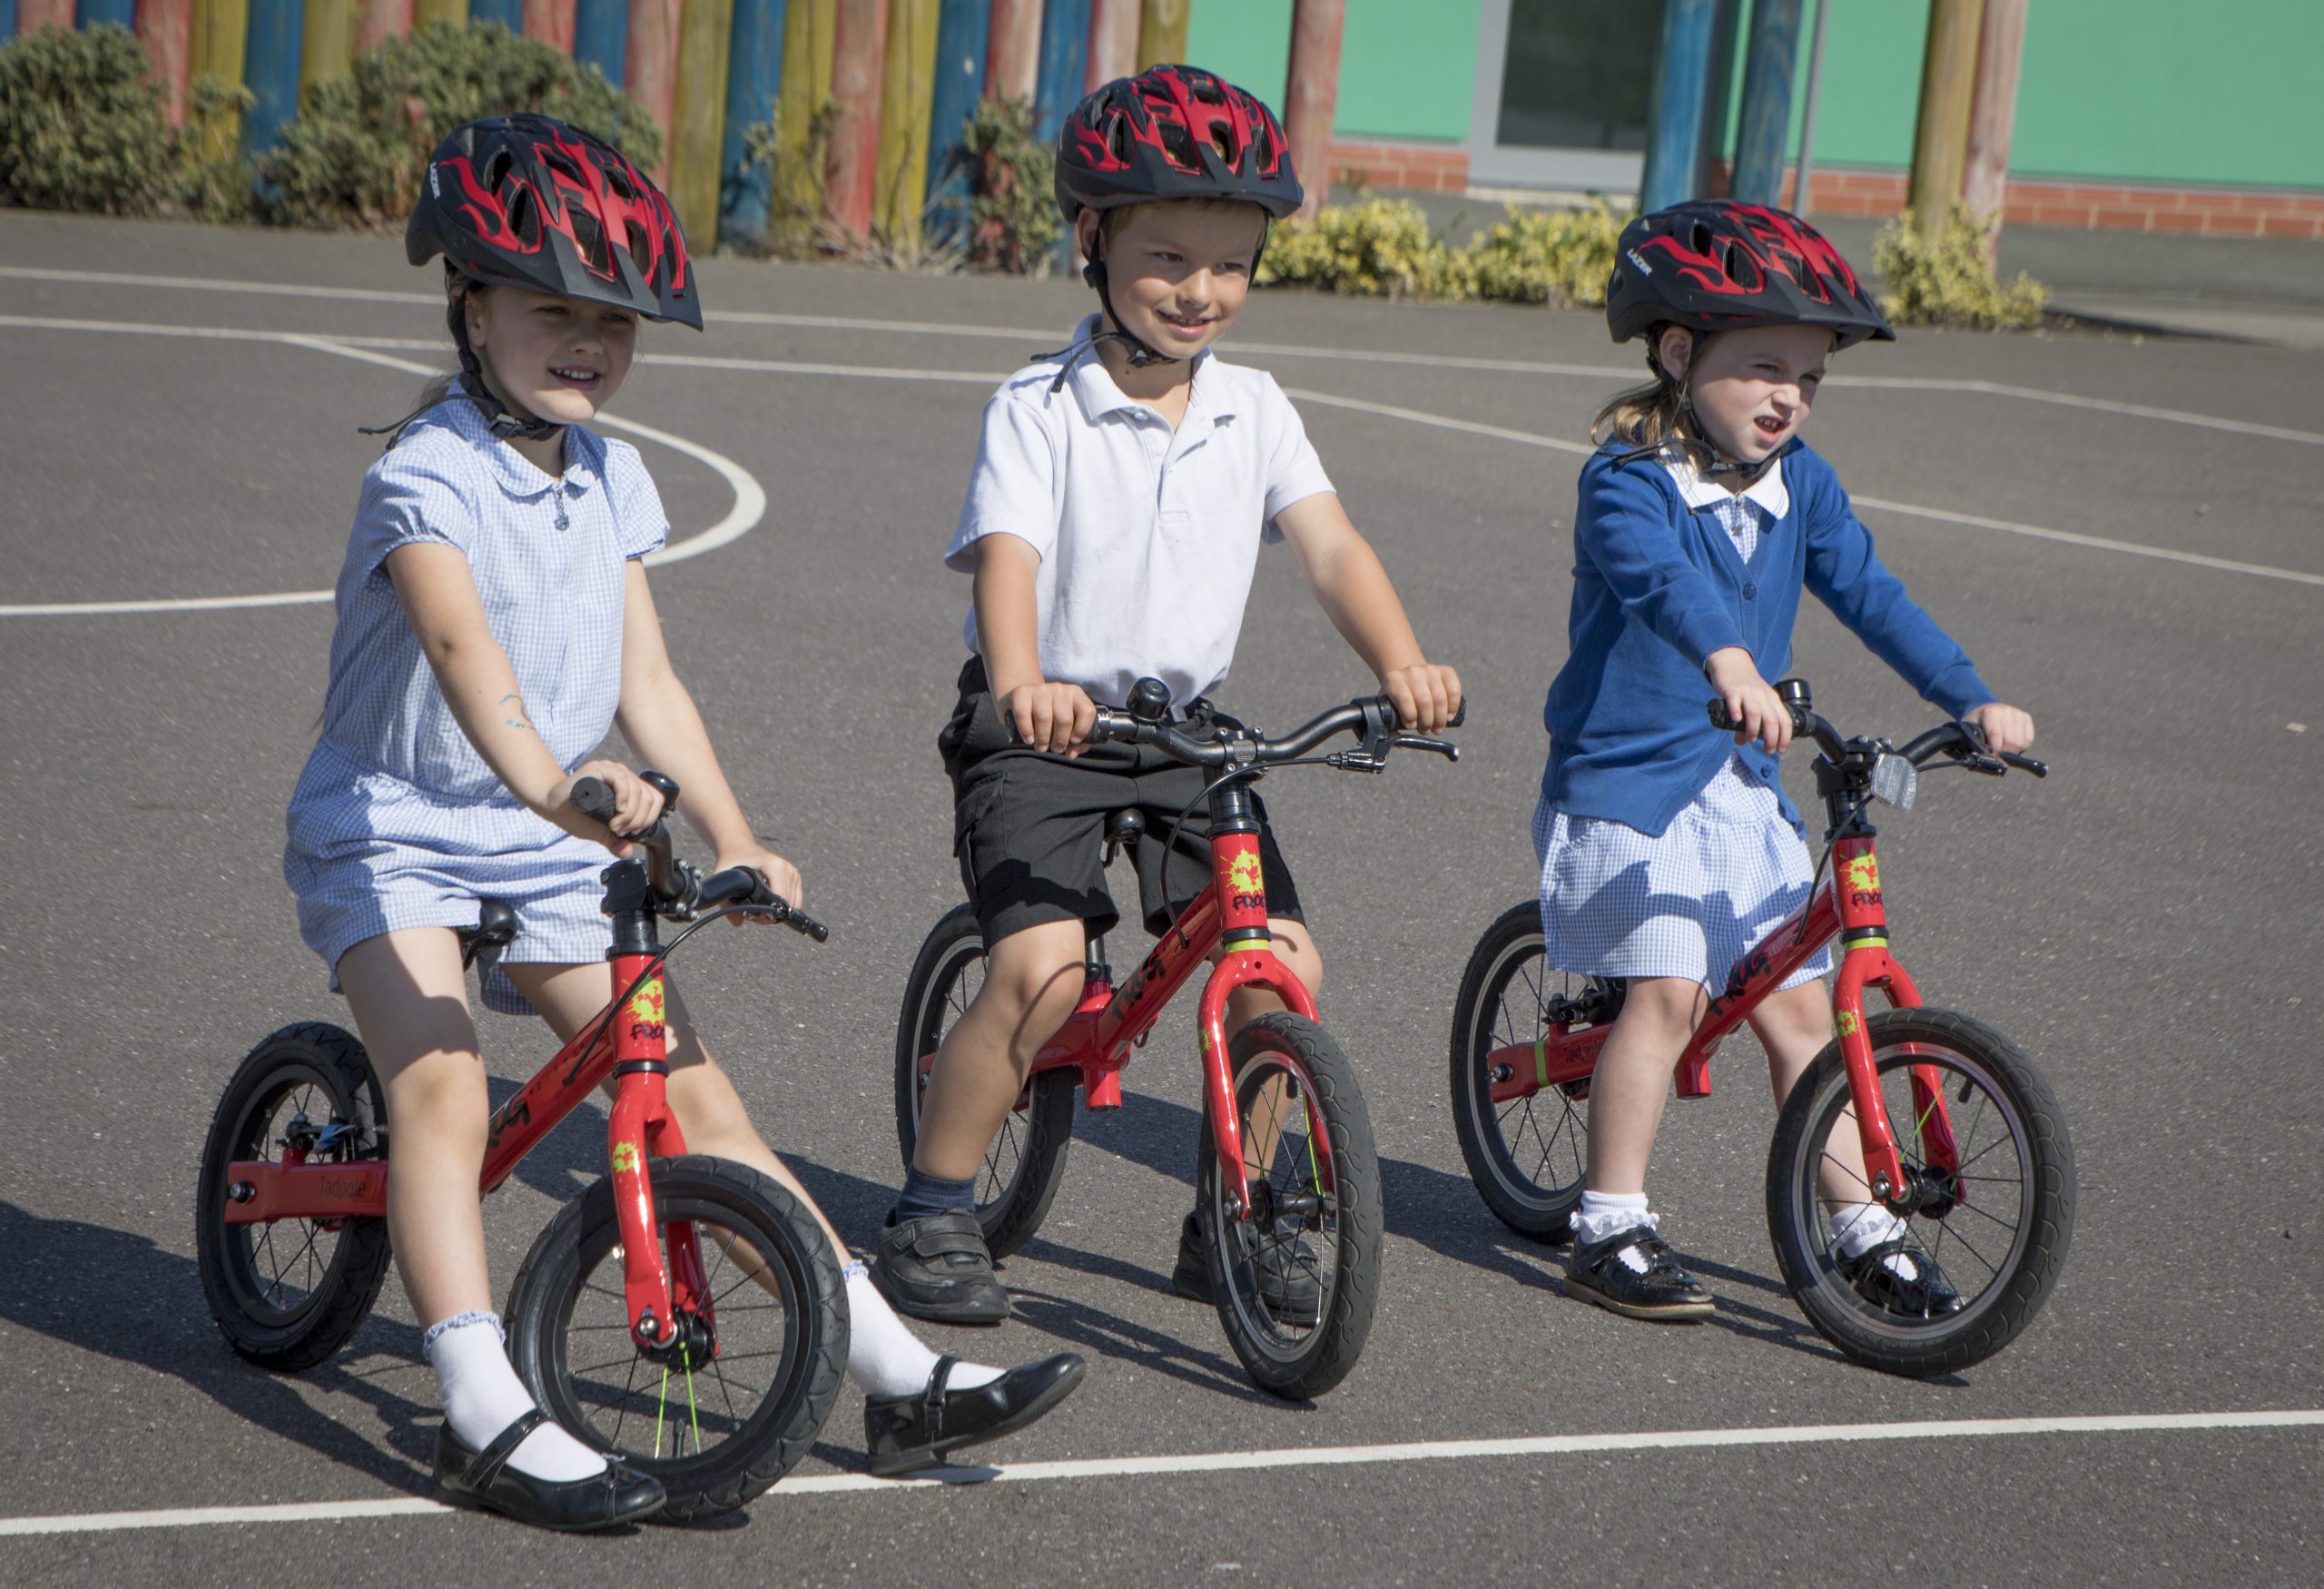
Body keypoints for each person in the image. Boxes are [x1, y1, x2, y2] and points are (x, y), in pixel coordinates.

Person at [284, 114, 1081, 1531]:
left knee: (690, 1086)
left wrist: (736, 830)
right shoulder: (425, 478)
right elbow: (468, 661)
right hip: (398, 822)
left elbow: (647, 679)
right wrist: (556, 788)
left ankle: (892, 1370)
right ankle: (479, 1404)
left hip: (548, 829)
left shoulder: (610, 477)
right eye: (552, 310)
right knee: (444, 1082)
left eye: (614, 320)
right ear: (468, 302)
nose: (588, 341)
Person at [869, 65, 1462, 1327]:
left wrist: (1399, 661)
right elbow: (1009, 560)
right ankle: (932, 1202)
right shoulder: (1040, 406)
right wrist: (1023, 683)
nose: (1202, 291)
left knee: (1275, 960)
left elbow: (1333, 545)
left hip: (1189, 735)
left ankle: (1239, 1213)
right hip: (1050, 728)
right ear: (1091, 242)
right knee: (1038, 973)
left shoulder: (1255, 407)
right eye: (1169, 257)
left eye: (1232, 264)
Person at [1538, 200, 2036, 1324]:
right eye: (1763, 366)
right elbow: (1661, 582)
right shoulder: (1627, 480)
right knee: (1665, 994)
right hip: (1628, 783)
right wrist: (1728, 663)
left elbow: (1870, 593)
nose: (1787, 397)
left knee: (1805, 1017)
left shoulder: (1799, 483)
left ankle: (1864, 1228)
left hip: (1738, 786)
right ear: (1677, 352)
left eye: (1809, 378)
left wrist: (1969, 695)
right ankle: (1607, 1220)